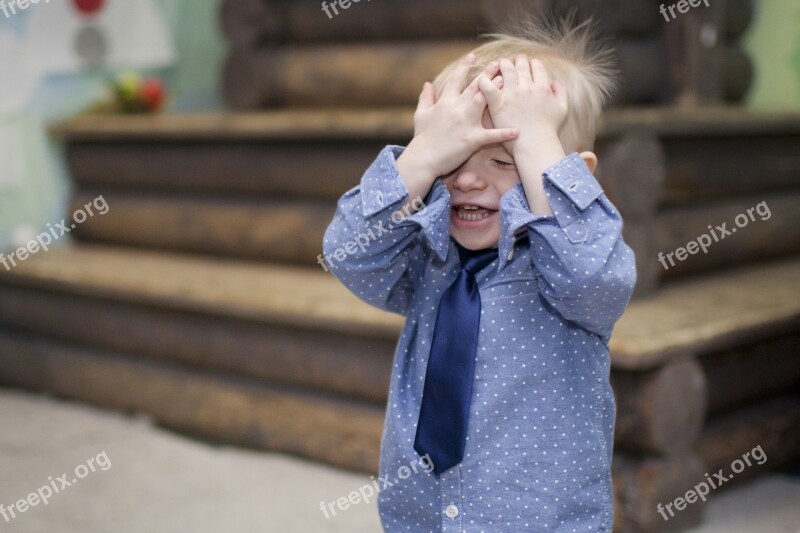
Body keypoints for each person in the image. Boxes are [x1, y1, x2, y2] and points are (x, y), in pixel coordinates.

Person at [322, 18, 637, 532]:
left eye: (503, 160)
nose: (468, 180)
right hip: (421, 512)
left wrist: (538, 140)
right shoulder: (425, 252)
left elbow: (596, 277)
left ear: (572, 173)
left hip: (541, 518)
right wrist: (423, 155)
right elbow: (348, 253)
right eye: (454, 159)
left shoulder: (573, 274)